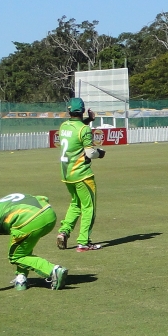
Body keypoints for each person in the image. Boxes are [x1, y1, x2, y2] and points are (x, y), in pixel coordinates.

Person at [56, 97, 106, 251]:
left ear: (69, 111)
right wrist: (101, 153)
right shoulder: (84, 130)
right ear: (83, 110)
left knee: (75, 204)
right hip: (82, 174)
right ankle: (83, 242)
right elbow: (90, 153)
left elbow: (76, 130)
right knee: (88, 207)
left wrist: (88, 120)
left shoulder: (64, 126)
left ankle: (64, 232)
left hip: (66, 174)